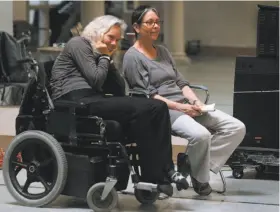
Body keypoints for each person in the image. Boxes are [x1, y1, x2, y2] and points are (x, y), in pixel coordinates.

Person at [49, 15, 188, 196]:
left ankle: (161, 173)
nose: (114, 43)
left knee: (157, 107)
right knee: (150, 107)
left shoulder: (99, 53)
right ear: (97, 34)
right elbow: (96, 80)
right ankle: (160, 174)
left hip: (93, 98)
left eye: (117, 40)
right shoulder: (79, 43)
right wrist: (105, 57)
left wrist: (109, 59)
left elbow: (119, 88)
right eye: (111, 38)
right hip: (75, 101)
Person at [123, 6, 246, 196]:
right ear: (137, 27)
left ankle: (191, 164)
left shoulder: (163, 51)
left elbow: (181, 82)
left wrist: (195, 102)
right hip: (163, 110)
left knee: (236, 128)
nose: (155, 26)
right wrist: (182, 108)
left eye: (157, 22)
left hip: (184, 104)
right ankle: (200, 179)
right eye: (149, 22)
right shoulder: (132, 57)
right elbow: (148, 95)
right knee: (201, 135)